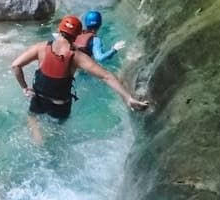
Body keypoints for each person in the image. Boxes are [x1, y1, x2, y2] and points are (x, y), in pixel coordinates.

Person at [11, 16, 148, 136]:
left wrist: (24, 87)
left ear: (58, 31)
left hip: (39, 99)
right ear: (77, 36)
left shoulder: (40, 47)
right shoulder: (77, 57)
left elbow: (15, 66)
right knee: (58, 131)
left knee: (32, 117)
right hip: (60, 105)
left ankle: (37, 139)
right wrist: (128, 97)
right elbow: (106, 76)